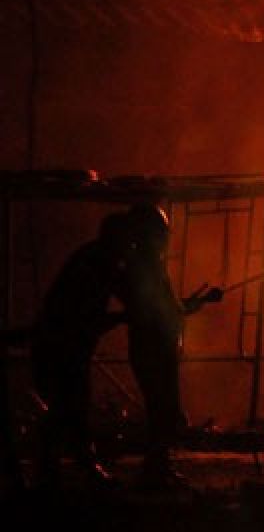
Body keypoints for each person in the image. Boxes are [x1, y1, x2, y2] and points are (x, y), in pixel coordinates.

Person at [121, 203, 220, 488]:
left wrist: (198, 302)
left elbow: (171, 309)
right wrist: (190, 305)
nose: (166, 237)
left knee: (163, 410)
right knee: (162, 410)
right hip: (153, 350)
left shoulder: (146, 266)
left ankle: (158, 467)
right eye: (162, 231)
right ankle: (155, 471)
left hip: (155, 349)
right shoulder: (145, 267)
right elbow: (162, 311)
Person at [31, 211, 132, 487]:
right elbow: (86, 317)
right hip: (61, 345)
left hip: (62, 344)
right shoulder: (97, 264)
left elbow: (128, 294)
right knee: (70, 404)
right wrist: (127, 315)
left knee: (65, 407)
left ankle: (54, 469)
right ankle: (80, 465)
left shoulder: (96, 258)